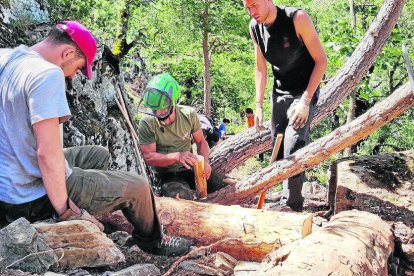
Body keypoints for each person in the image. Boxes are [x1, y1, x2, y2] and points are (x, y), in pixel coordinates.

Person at [0, 21, 189, 257]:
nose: (73, 75)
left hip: (7, 182)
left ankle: (98, 205)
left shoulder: (7, 57)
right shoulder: (47, 74)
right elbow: (47, 154)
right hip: (29, 195)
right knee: (139, 187)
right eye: (78, 68)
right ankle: (154, 241)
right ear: (68, 52)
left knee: (98, 153)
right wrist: (64, 211)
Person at [243, 0, 327, 211]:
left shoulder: (297, 18)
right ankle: (287, 196)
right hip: (280, 92)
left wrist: (306, 101)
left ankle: (290, 207)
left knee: (293, 144)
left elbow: (321, 60)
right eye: (247, 8)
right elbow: (260, 68)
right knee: (278, 149)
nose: (252, 12)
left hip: (304, 90)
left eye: (255, 5)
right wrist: (259, 105)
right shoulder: (255, 28)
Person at [138, 73, 212, 200]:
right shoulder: (147, 122)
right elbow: (148, 157)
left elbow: (201, 142)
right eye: (155, 110)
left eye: (163, 110)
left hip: (189, 168)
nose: (159, 114)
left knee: (224, 185)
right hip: (165, 174)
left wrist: (205, 161)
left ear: (173, 102)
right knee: (181, 196)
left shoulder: (188, 114)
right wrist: (176, 157)